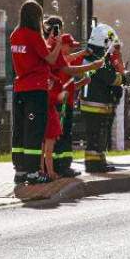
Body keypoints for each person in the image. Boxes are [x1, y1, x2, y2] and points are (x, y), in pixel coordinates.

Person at [9, 0, 63, 184]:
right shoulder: (34, 35)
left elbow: (31, 53)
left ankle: (20, 170)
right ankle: (33, 171)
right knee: (34, 131)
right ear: (36, 17)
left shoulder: (15, 35)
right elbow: (52, 59)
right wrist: (58, 42)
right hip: (36, 89)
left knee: (20, 129)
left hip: (19, 89)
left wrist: (46, 42)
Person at [47, 32, 99, 179]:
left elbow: (68, 87)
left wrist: (81, 83)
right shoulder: (60, 63)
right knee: (62, 136)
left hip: (66, 103)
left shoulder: (64, 62)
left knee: (64, 135)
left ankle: (63, 164)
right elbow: (62, 85)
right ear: (60, 45)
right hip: (62, 105)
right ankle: (62, 166)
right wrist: (91, 65)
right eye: (69, 46)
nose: (71, 49)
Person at [78, 24, 123, 173]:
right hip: (97, 104)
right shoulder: (99, 58)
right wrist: (122, 77)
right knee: (97, 136)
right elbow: (110, 79)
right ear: (105, 41)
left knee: (96, 135)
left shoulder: (91, 54)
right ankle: (94, 165)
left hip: (89, 103)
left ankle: (98, 161)